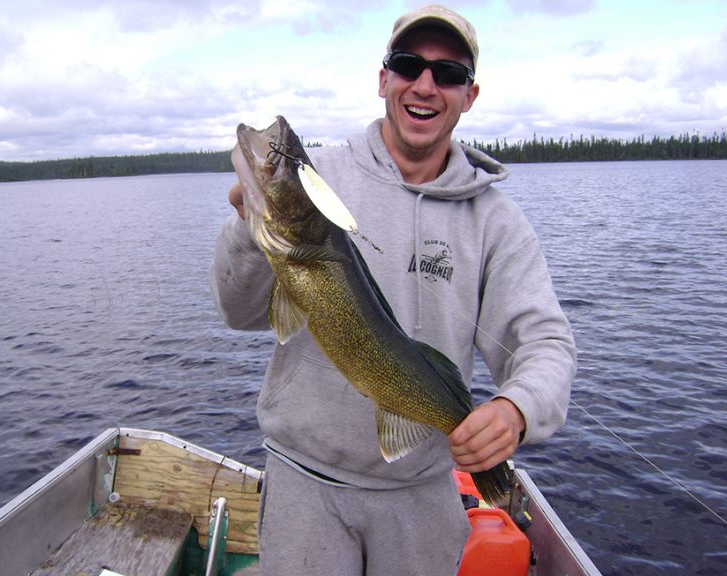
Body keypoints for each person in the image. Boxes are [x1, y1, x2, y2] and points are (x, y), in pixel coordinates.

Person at [210, 4, 576, 575]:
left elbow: (546, 343)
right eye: (408, 65)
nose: (425, 85)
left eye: (448, 73)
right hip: (304, 481)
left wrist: (515, 409)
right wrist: (250, 228)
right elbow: (237, 310)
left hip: (421, 495)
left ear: (470, 95)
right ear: (383, 79)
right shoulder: (317, 178)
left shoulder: (496, 221)